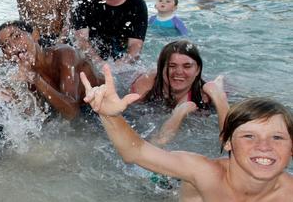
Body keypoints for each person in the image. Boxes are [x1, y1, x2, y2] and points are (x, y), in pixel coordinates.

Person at [80, 67, 293, 202]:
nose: (264, 146)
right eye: (250, 137)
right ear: (226, 142)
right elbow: (136, 153)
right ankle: (198, 105)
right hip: (170, 189)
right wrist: (110, 116)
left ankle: (219, 97)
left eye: (277, 137)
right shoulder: (204, 173)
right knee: (159, 148)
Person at [0, 21, 102, 120]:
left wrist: (36, 79)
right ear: (6, 56)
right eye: (6, 45)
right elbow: (40, 116)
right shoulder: (26, 72)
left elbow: (72, 113)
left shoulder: (65, 55)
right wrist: (12, 98)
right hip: (82, 112)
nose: (13, 46)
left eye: (16, 36)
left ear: (35, 35)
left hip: (104, 100)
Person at [129, 40, 228, 145]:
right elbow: (153, 145)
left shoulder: (204, 97)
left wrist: (219, 98)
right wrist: (179, 113)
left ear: (198, 70)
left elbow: (229, 143)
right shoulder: (147, 83)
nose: (179, 72)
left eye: (187, 66)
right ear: (161, 68)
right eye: (172, 66)